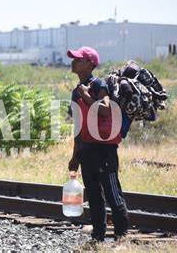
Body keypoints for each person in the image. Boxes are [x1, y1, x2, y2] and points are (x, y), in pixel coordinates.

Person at [67, 46, 128, 242]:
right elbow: (78, 126)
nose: (73, 62)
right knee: (93, 196)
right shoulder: (76, 92)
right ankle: (98, 237)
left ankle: (121, 238)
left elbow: (105, 110)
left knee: (113, 195)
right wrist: (75, 156)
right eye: (74, 59)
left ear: (89, 64)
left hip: (104, 150)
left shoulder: (99, 84)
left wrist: (85, 94)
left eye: (77, 59)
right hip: (86, 149)